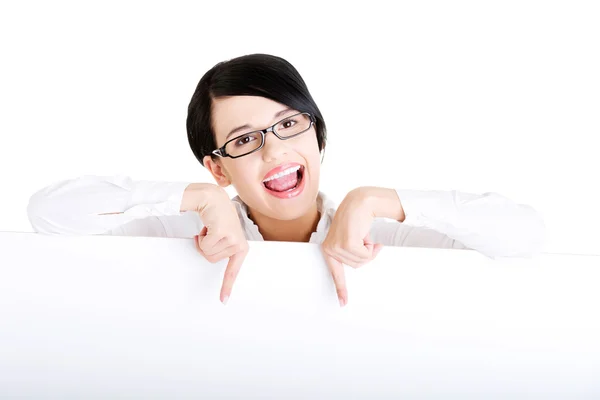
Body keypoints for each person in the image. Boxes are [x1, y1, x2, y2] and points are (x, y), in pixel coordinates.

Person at [27, 54, 545, 307]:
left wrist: (378, 200)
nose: (276, 150)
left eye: (289, 124)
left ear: (315, 132)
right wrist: (198, 198)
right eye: (244, 140)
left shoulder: (389, 233)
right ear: (217, 165)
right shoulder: (181, 236)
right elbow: (46, 214)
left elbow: (526, 236)